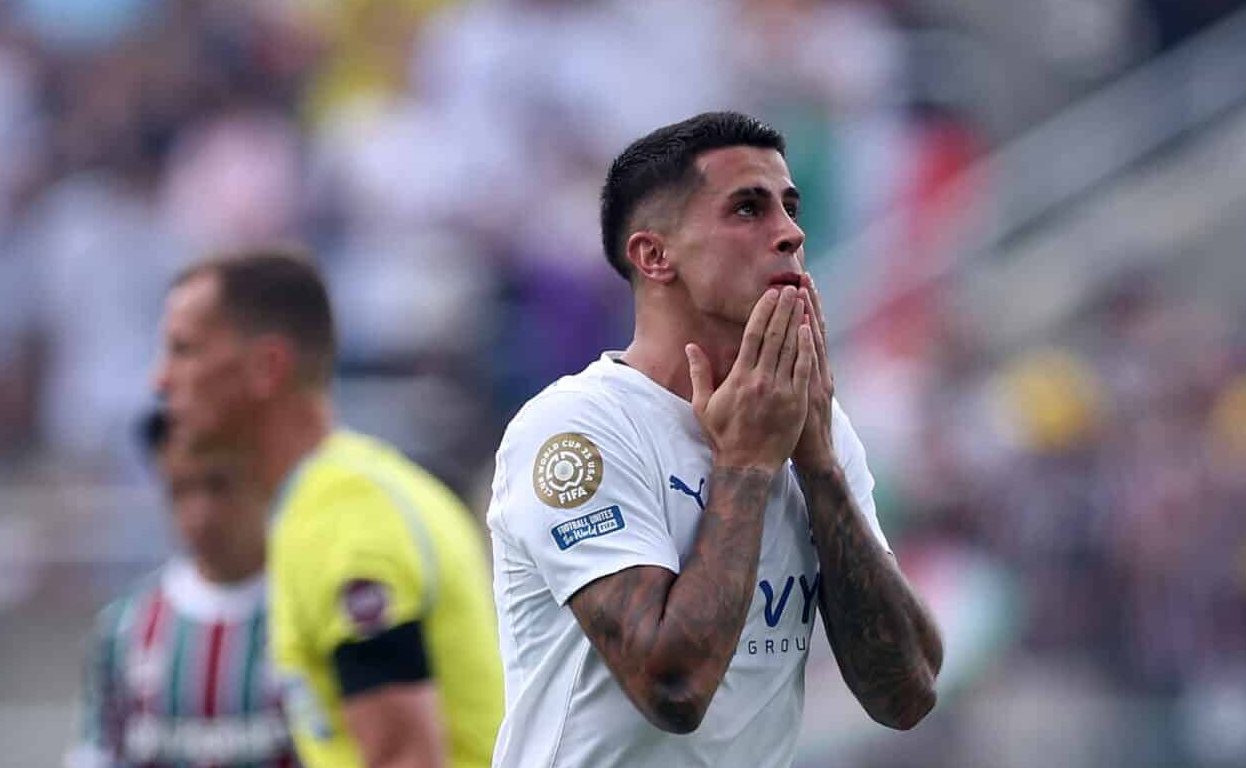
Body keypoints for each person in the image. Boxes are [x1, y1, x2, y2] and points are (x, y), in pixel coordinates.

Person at [486, 111, 944, 767]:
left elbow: (906, 695)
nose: (789, 234)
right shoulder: (575, 429)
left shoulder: (810, 422)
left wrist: (818, 468)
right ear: (654, 254)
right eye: (746, 209)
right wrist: (747, 465)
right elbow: (673, 687)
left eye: (789, 207)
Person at [153, 250, 503, 768]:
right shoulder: (336, 496)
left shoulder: (344, 518)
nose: (160, 381)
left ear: (267, 367)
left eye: (185, 351)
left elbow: (403, 758)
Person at [65, 409, 297, 768]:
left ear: (263, 475)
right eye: (180, 490)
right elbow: (96, 753)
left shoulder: (309, 608)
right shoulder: (123, 626)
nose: (200, 514)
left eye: (218, 485)